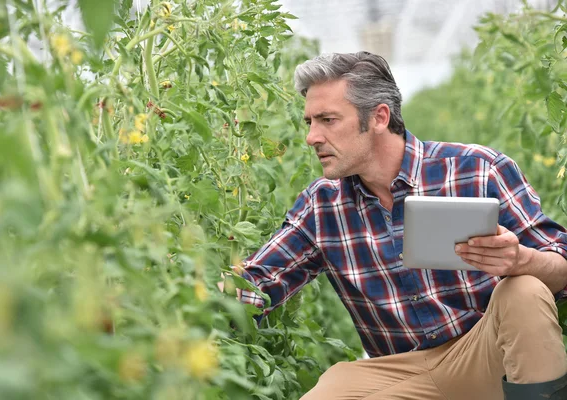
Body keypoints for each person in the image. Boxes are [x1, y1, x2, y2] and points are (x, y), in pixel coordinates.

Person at [225, 52, 567, 399]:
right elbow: (256, 282)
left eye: (327, 120)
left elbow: (561, 262)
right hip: (400, 371)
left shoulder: (476, 170)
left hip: (483, 353)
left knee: (524, 289)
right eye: (309, 122)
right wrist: (186, 292)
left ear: (379, 117)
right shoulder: (322, 205)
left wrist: (521, 261)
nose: (312, 137)